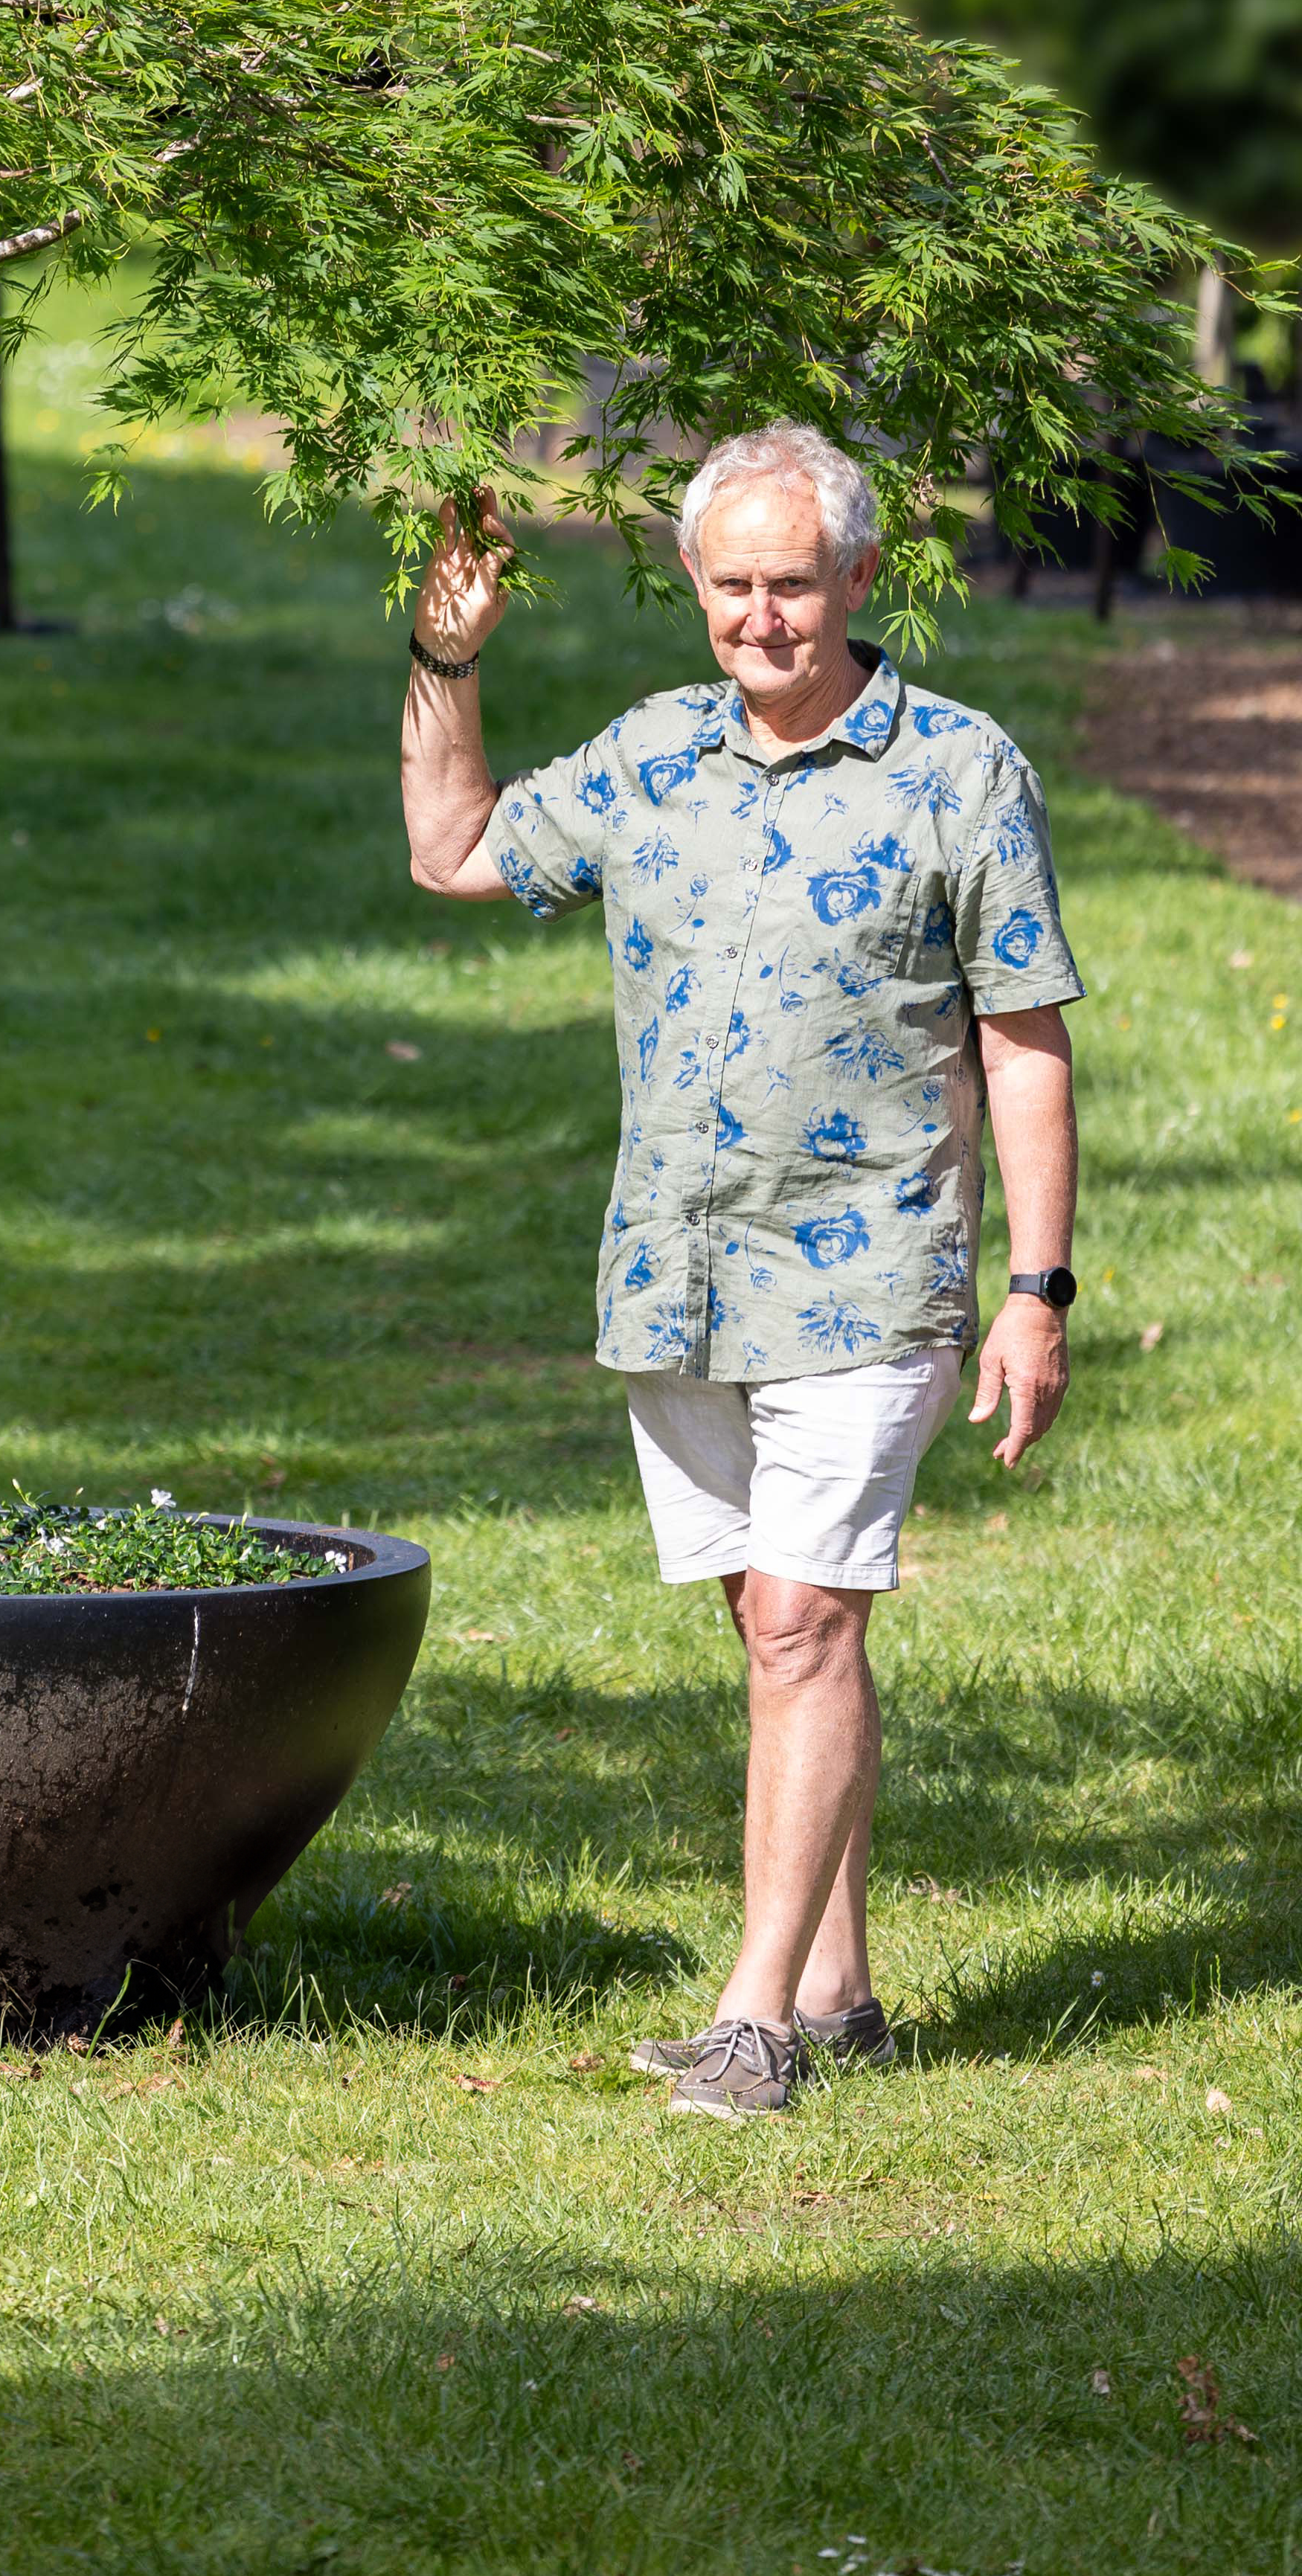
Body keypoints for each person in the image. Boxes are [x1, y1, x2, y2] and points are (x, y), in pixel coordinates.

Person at [400, 423, 1082, 2119]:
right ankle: (841, 1986)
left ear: (858, 578)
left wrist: (1038, 1288)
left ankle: (755, 2023)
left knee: (798, 1624)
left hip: (872, 1275)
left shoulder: (958, 770)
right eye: (732, 588)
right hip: (680, 1272)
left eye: (793, 584)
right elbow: (454, 849)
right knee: (776, 1632)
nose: (763, 619)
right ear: (697, 589)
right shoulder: (650, 759)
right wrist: (441, 660)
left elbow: (1024, 1037)